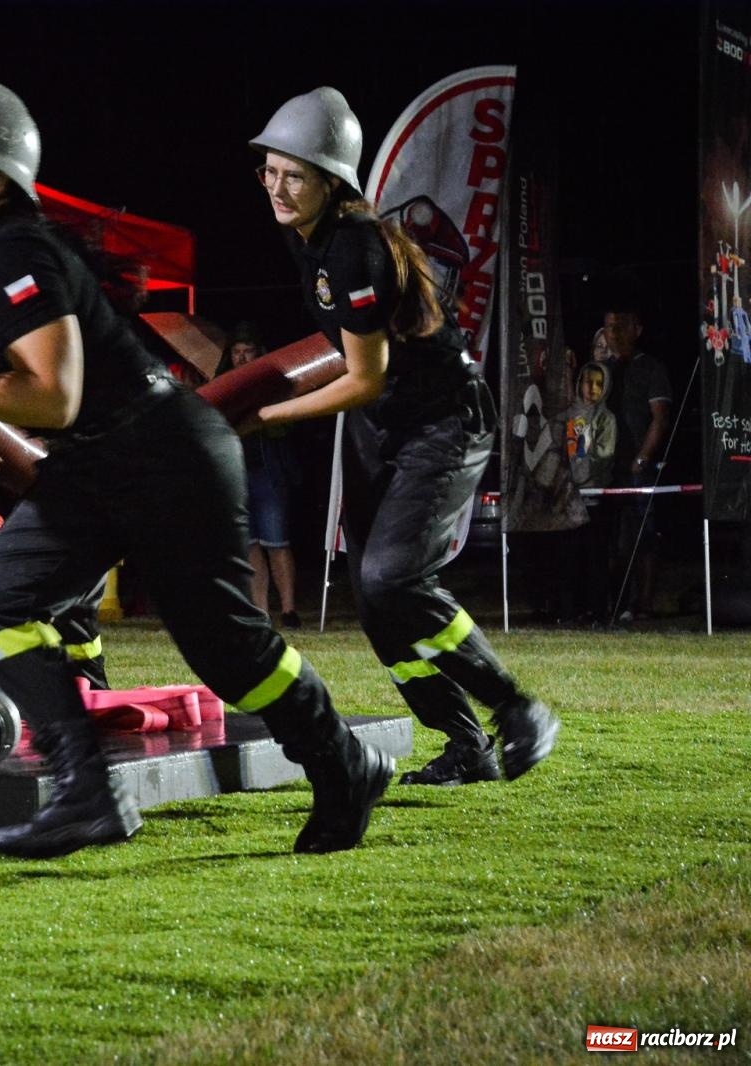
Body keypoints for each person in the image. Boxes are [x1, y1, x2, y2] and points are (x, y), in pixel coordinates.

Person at [0, 78, 391, 860]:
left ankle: (343, 763)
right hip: (107, 464)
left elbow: (52, 392)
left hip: (165, 457)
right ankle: (88, 795)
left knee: (230, 652)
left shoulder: (18, 249)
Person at [246, 86, 559, 788]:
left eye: (294, 173)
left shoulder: (353, 247)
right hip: (390, 426)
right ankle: (464, 743)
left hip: (444, 421)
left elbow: (361, 379)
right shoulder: (317, 243)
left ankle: (517, 708)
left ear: (332, 179)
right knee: (377, 600)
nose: (277, 185)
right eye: (269, 170)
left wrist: (262, 417)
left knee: (393, 577)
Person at [226, 321, 302, 628]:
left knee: (277, 541)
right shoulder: (225, 383)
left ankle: (288, 609)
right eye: (237, 352)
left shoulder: (272, 384)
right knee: (251, 544)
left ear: (260, 353)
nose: (242, 358)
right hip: (238, 472)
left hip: (268, 471)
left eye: (248, 352)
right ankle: (261, 611)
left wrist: (260, 417)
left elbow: (288, 423)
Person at [600, 301, 673, 622]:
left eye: (620, 326)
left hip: (637, 471)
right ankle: (615, 604)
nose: (613, 334)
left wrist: (642, 459)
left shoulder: (651, 368)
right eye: (609, 327)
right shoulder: (603, 370)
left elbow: (660, 419)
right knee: (612, 541)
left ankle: (643, 605)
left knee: (642, 536)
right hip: (604, 470)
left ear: (637, 330)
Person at [554, 360, 618, 624]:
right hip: (568, 500)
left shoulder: (607, 418)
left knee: (595, 558)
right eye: (586, 381)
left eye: (598, 383)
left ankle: (597, 611)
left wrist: (583, 470)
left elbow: (604, 456)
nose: (591, 388)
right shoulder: (568, 414)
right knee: (569, 558)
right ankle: (569, 611)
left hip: (595, 500)